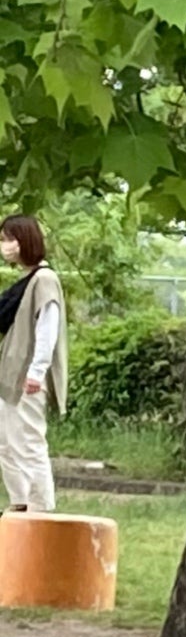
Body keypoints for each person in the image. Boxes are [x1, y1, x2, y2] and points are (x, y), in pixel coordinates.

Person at [0, 215, 65, 513]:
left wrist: (37, 371)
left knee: (28, 441)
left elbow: (47, 329)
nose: (5, 247)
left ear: (25, 240)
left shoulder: (44, 280)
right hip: (10, 375)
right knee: (6, 443)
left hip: (27, 377)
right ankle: (21, 501)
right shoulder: (28, 280)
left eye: (9, 239)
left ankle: (40, 507)